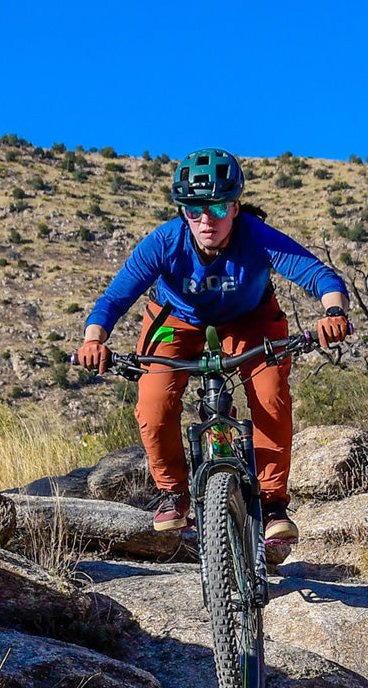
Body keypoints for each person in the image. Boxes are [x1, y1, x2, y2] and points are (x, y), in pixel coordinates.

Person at [77, 147, 350, 541]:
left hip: (249, 317)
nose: (207, 220)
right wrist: (93, 340)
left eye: (219, 208)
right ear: (182, 210)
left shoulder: (255, 236)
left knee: (271, 393)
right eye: (194, 209)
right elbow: (114, 299)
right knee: (153, 403)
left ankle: (272, 502)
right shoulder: (164, 242)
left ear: (236, 207)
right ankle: (173, 493)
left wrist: (334, 314)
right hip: (175, 320)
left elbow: (318, 276)